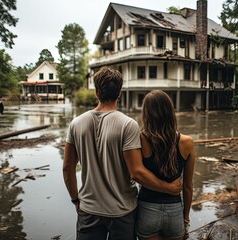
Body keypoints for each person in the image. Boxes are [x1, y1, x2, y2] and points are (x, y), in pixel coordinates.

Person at [63, 67, 182, 240]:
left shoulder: (76, 124)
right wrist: (169, 188)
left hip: (88, 209)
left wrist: (75, 200)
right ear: (119, 93)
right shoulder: (128, 125)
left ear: (96, 92)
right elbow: (137, 172)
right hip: (122, 211)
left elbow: (67, 168)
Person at [136, 90, 196, 240]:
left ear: (147, 113)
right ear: (170, 111)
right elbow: (187, 186)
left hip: (146, 209)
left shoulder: (140, 139)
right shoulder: (187, 142)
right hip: (174, 212)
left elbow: (135, 173)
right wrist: (186, 220)